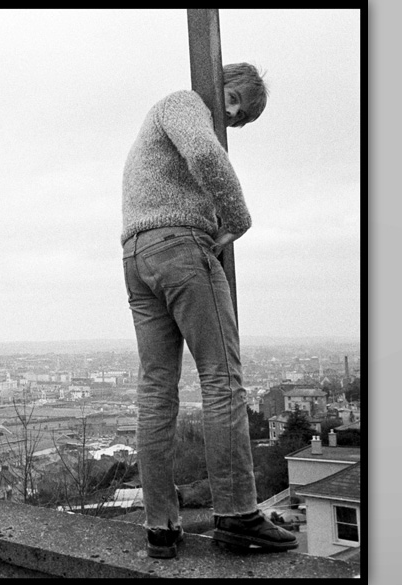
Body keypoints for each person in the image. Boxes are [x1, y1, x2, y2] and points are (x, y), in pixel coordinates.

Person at [121, 63, 297, 559]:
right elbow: (203, 152)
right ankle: (238, 516)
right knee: (222, 380)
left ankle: (160, 528)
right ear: (216, 81)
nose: (232, 113)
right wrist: (238, 218)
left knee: (155, 392)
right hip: (179, 248)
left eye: (240, 115)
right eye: (234, 98)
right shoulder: (184, 102)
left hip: (136, 257)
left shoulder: (160, 119)